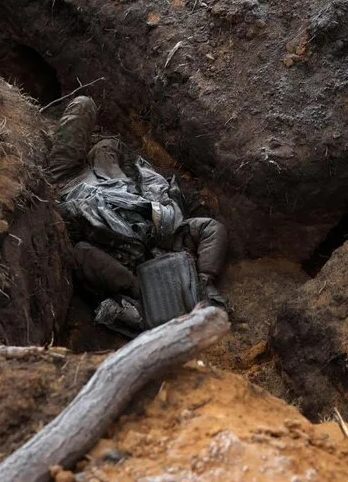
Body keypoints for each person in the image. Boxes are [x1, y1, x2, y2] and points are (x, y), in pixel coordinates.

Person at [47, 96, 228, 333]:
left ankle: (53, 143)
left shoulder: (125, 268)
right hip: (111, 179)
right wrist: (206, 280)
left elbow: (80, 253)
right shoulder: (170, 232)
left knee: (84, 105)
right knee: (107, 145)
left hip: (66, 182)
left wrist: (132, 285)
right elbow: (212, 229)